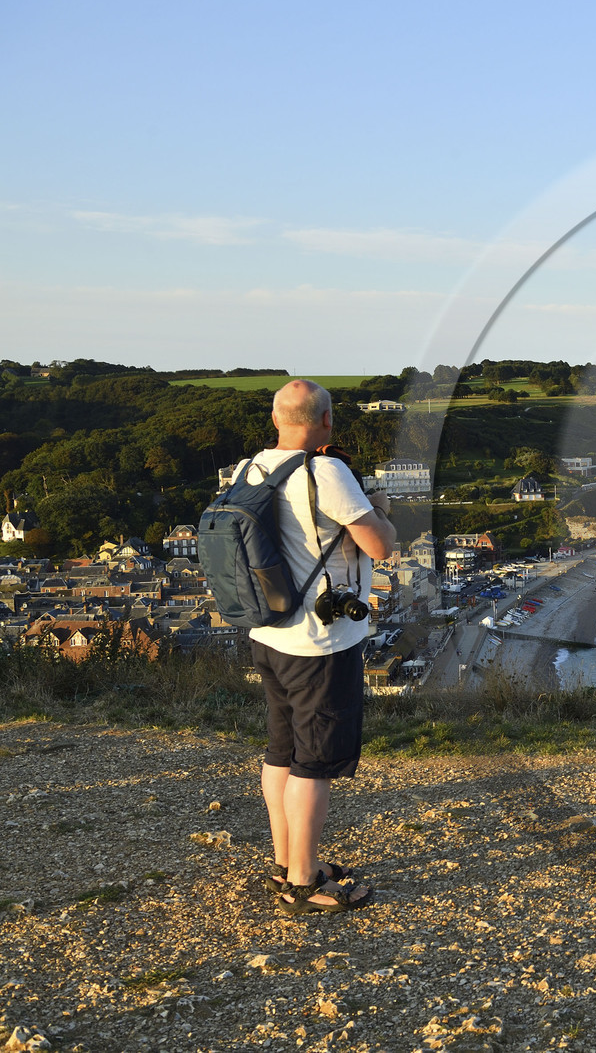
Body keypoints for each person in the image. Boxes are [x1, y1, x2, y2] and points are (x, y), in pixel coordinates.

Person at [241, 379, 396, 914]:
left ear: (276, 418)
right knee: (315, 761)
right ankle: (304, 883)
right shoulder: (327, 472)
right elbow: (381, 545)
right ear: (327, 420)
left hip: (268, 633)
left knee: (281, 750)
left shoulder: (250, 468)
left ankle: (287, 861)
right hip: (320, 642)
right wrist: (377, 508)